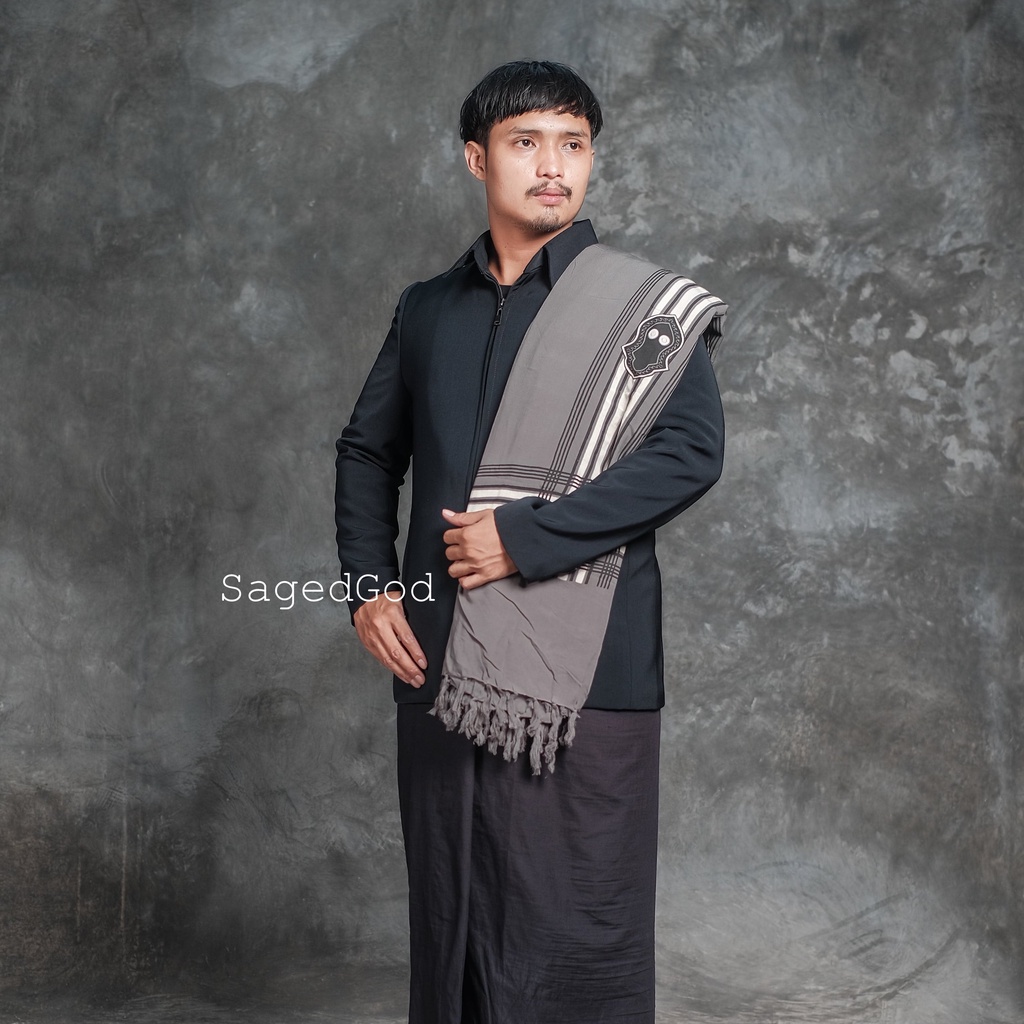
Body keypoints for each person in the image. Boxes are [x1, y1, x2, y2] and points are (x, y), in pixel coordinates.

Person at [335, 61, 726, 1024]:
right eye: (526, 143)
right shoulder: (428, 308)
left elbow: (689, 455)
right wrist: (368, 588)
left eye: (573, 144)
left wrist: (525, 539)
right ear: (478, 159)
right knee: (455, 926)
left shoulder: (642, 309)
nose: (553, 166)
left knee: (576, 934)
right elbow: (367, 451)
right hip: (438, 656)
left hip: (589, 672)